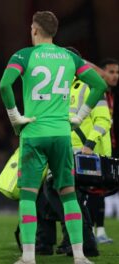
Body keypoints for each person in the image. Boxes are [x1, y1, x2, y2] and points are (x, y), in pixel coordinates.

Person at [0, 10, 107, 264]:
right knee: (69, 193)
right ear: (55, 31)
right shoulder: (70, 57)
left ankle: (28, 257)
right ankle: (79, 256)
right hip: (61, 134)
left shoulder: (24, 55)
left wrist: (15, 117)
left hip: (34, 133)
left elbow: (4, 84)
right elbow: (100, 85)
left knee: (28, 194)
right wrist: (79, 116)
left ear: (34, 29)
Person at [86, 58, 119, 244]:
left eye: (117, 72)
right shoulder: (96, 91)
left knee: (99, 191)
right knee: (93, 191)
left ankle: (98, 231)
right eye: (111, 71)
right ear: (102, 72)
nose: (115, 76)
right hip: (94, 147)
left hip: (105, 146)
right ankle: (94, 232)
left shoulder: (109, 95)